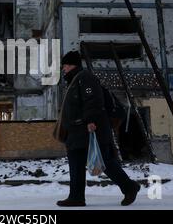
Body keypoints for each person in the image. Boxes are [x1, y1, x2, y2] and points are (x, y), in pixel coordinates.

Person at [55, 51, 141, 207]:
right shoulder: (75, 80)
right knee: (76, 164)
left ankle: (130, 187)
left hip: (91, 130)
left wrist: (91, 120)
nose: (64, 69)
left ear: (73, 65)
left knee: (105, 162)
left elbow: (93, 99)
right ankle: (76, 197)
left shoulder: (85, 78)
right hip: (76, 132)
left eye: (65, 65)